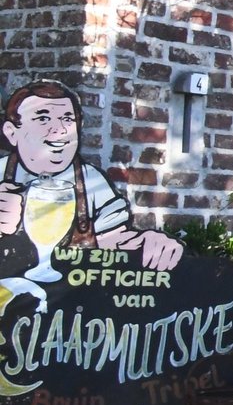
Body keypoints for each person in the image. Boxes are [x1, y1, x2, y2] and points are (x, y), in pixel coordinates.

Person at [0, 81, 184, 313]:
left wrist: (148, 244)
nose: (60, 131)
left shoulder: (91, 182)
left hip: (68, 311)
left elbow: (113, 241)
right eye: (43, 118)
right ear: (12, 132)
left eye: (68, 119)